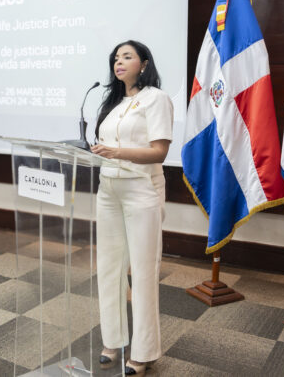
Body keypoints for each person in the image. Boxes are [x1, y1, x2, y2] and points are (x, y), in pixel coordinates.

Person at [91, 40, 173, 376]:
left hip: (140, 190)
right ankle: (112, 340)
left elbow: (159, 152)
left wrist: (117, 153)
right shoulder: (112, 102)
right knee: (109, 268)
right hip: (107, 190)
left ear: (144, 63)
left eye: (127, 56)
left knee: (142, 272)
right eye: (116, 58)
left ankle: (143, 352)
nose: (119, 62)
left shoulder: (156, 98)